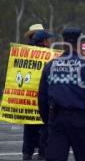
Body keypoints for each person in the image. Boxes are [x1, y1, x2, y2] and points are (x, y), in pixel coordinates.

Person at [38, 28, 85, 161]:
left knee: (55, 157)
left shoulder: (50, 66)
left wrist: (48, 120)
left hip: (57, 119)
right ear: (80, 43)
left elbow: (42, 98)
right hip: (81, 119)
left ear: (63, 43)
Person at [22, 27, 54, 161]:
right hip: (43, 96)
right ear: (45, 41)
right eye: (49, 40)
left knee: (29, 124)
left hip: (27, 96)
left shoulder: (24, 52)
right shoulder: (49, 54)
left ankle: (27, 152)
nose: (51, 42)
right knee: (45, 124)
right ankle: (42, 153)